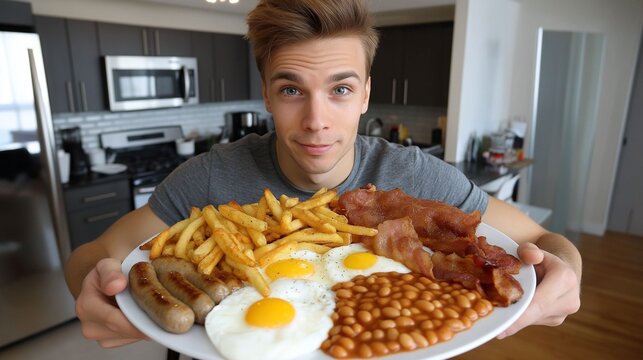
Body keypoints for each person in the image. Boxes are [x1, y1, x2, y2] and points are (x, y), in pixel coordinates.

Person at [65, 0, 581, 349]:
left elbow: (542, 239)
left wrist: (566, 272)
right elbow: (89, 258)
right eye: (291, 90)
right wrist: (92, 289)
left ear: (365, 94)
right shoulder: (207, 178)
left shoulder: (413, 177)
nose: (316, 120)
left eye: (339, 89)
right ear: (266, 94)